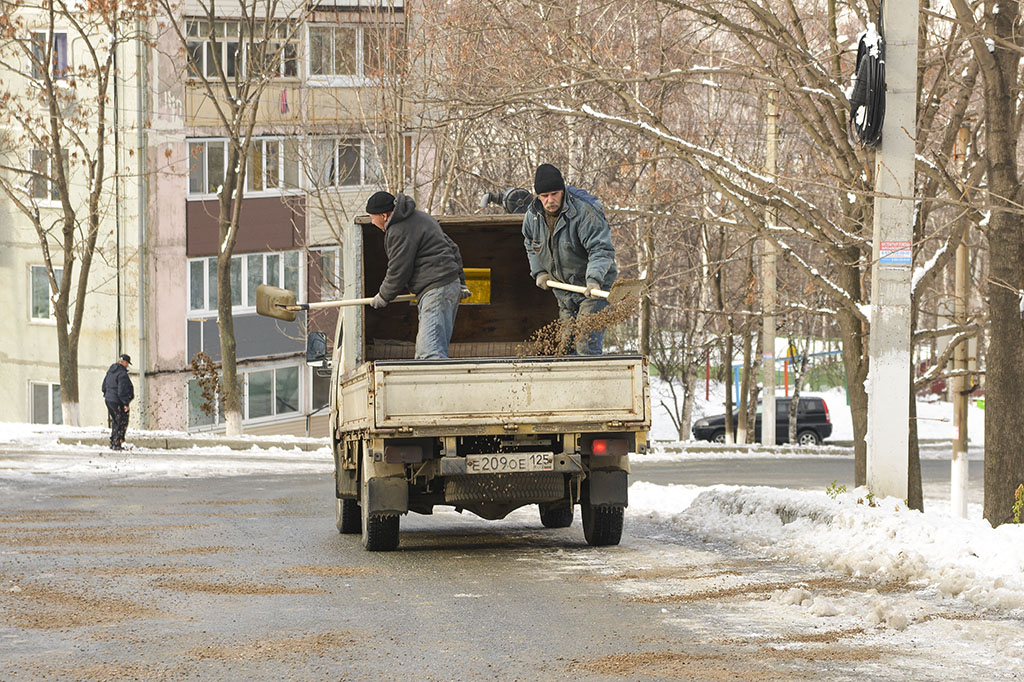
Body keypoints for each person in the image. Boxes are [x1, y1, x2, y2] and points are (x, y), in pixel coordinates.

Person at [522, 163, 617, 355]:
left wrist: (594, 280)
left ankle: (592, 385)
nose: (550, 200)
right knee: (566, 346)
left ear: (563, 190)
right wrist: (539, 271)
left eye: (554, 194)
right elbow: (530, 243)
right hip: (565, 289)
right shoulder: (533, 216)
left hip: (593, 288)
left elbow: (601, 249)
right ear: (538, 196)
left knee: (585, 344)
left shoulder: (584, 211)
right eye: (544, 196)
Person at [365, 191, 470, 359]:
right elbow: (452, 247)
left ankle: (436, 385)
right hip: (446, 285)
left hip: (436, 289)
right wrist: (461, 281)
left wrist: (383, 296)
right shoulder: (422, 218)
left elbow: (398, 269)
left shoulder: (399, 230)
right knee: (428, 349)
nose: (372, 222)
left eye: (372, 217)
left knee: (430, 353)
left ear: (384, 215)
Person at [101, 354, 134, 450]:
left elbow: (104, 386)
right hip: (117, 401)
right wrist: (125, 403)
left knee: (116, 421)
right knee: (121, 421)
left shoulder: (110, 371)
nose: (127, 365)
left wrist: (107, 395)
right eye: (127, 363)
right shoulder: (122, 374)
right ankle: (116, 443)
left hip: (109, 400)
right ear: (124, 362)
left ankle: (113, 442)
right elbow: (122, 390)